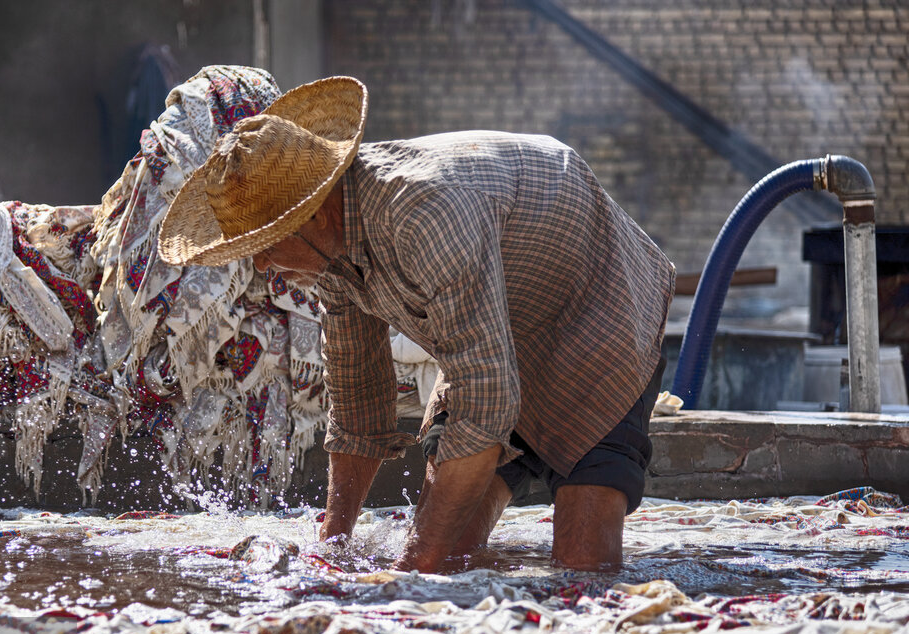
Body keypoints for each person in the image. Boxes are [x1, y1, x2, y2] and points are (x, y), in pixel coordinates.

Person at [158, 76, 675, 572]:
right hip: (497, 332)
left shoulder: (422, 215)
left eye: (266, 245)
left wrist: (409, 572)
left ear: (312, 215)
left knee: (581, 564)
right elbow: (359, 396)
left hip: (594, 312)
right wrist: (334, 541)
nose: (264, 265)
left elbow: (486, 398)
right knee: (452, 552)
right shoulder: (330, 255)